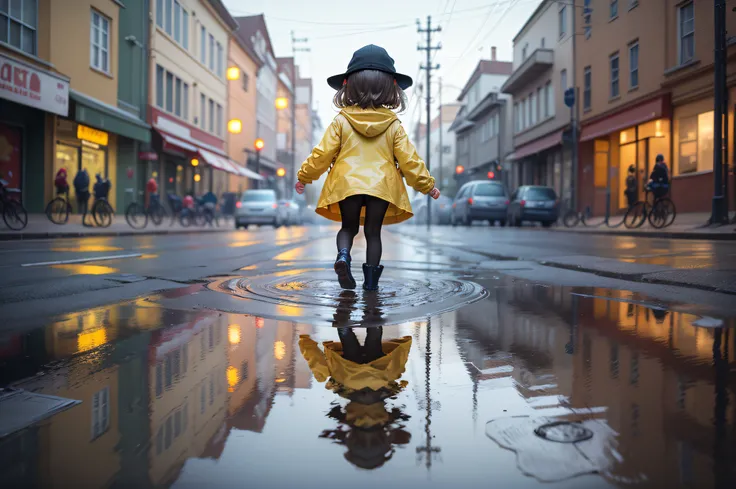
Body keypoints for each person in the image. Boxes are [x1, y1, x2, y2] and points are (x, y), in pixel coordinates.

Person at [294, 44, 440, 291]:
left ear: (348, 85)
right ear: (390, 87)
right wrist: (428, 186)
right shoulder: (393, 125)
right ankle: (371, 284)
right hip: (381, 186)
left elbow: (322, 153)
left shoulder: (341, 120)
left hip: (346, 183)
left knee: (348, 227)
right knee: (373, 232)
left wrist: (304, 176)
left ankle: (343, 256)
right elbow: (409, 160)